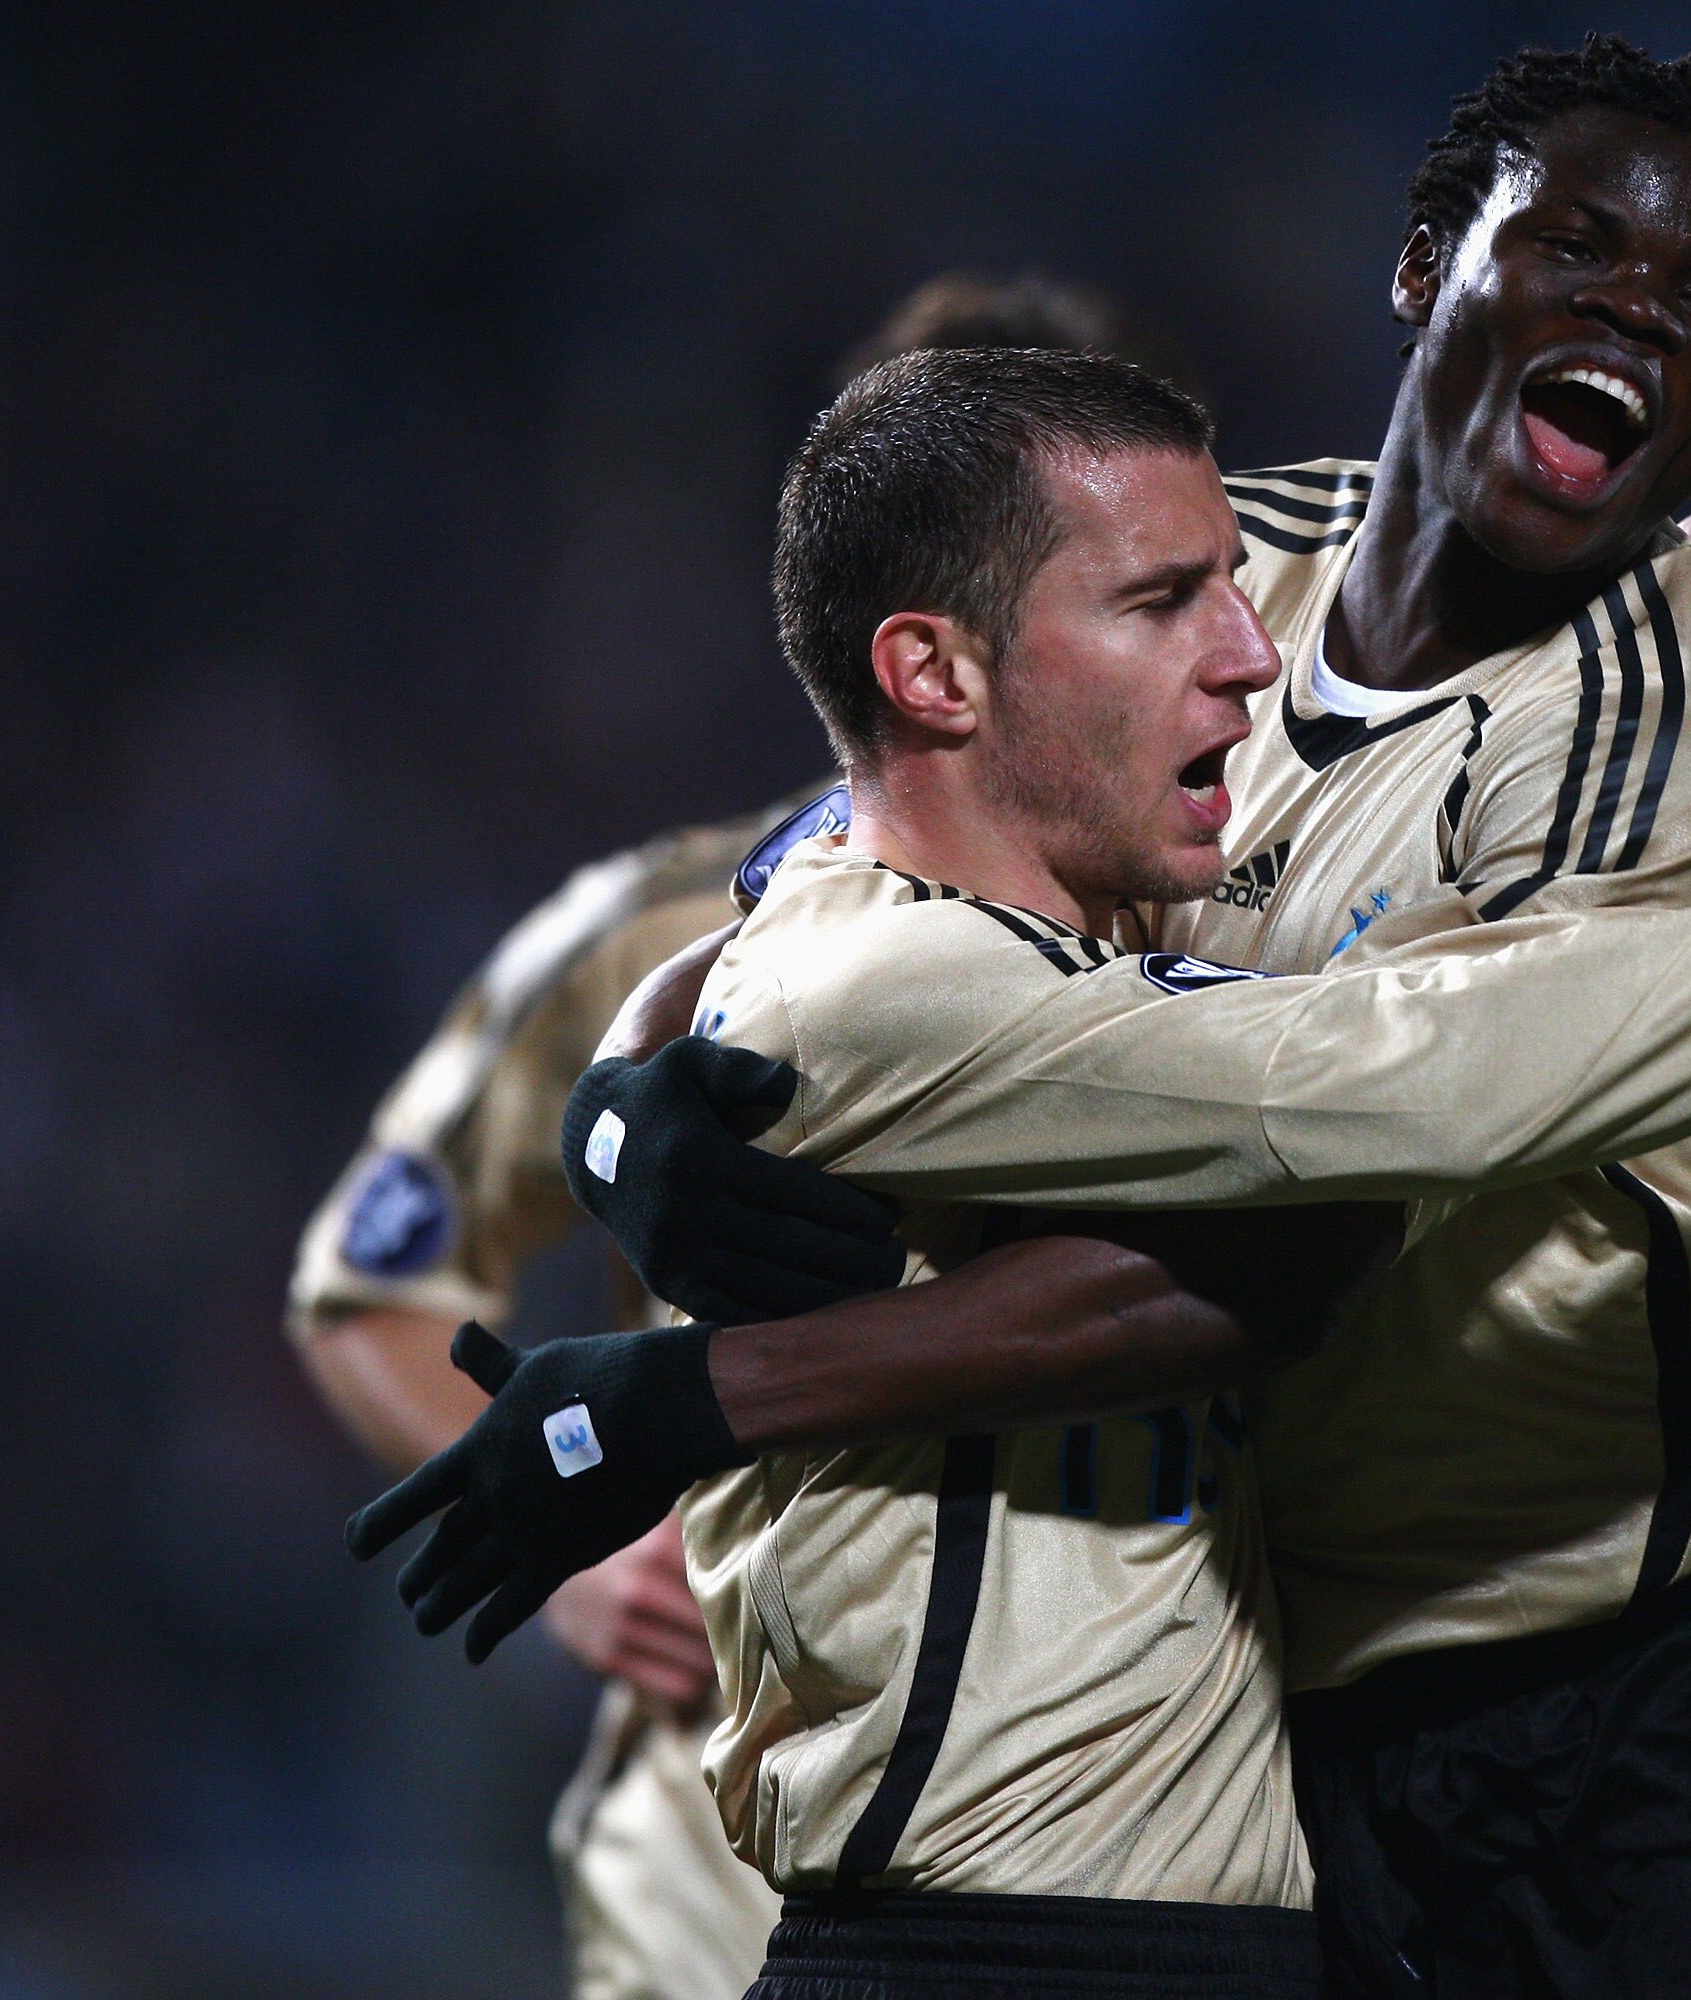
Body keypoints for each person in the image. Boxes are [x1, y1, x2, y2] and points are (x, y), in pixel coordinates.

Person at [558, 36, 1691, 2000]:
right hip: (1273, 1741)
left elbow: (1296, 1250)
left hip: (1632, 1726)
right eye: (1582, 246)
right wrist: (636, 1094)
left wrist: (732, 1384)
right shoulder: (1225, 551)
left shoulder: (1673, 750)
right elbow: (850, 854)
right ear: (1426, 261)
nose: (1643, 307)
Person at [286, 272, 1220, 2000]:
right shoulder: (657, 927)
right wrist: (584, 1544)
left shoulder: (1248, 926)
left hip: (1128, 1823)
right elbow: (373, 1280)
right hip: (737, 1846)